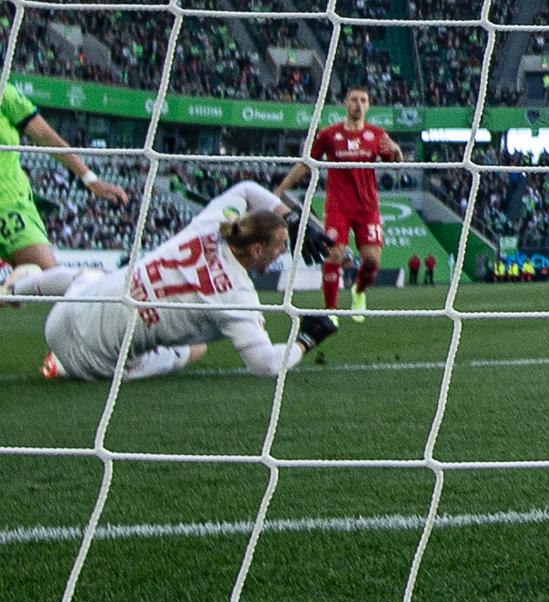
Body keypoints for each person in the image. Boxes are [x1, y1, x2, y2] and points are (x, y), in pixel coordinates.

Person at [3, 182, 336, 381]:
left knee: (89, 277)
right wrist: (306, 338)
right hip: (89, 363)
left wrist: (291, 217)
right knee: (195, 349)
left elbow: (247, 189)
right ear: (257, 249)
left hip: (58, 319)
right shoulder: (236, 297)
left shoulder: (211, 223)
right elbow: (266, 364)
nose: (281, 255)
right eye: (279, 247)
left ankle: (13, 289)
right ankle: (57, 363)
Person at [275, 87, 401, 317]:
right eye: (354, 100)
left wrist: (397, 151)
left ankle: (359, 292)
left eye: (363, 100)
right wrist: (281, 189)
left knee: (372, 261)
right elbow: (306, 164)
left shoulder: (377, 135)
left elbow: (395, 164)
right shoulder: (329, 135)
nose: (358, 104)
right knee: (333, 255)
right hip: (338, 207)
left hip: (367, 207)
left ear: (368, 105)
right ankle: (330, 311)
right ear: (345, 103)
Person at [0, 81, 129, 270]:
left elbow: (45, 135)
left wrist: (90, 179)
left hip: (8, 206)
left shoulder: (4, 92)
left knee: (48, 284)